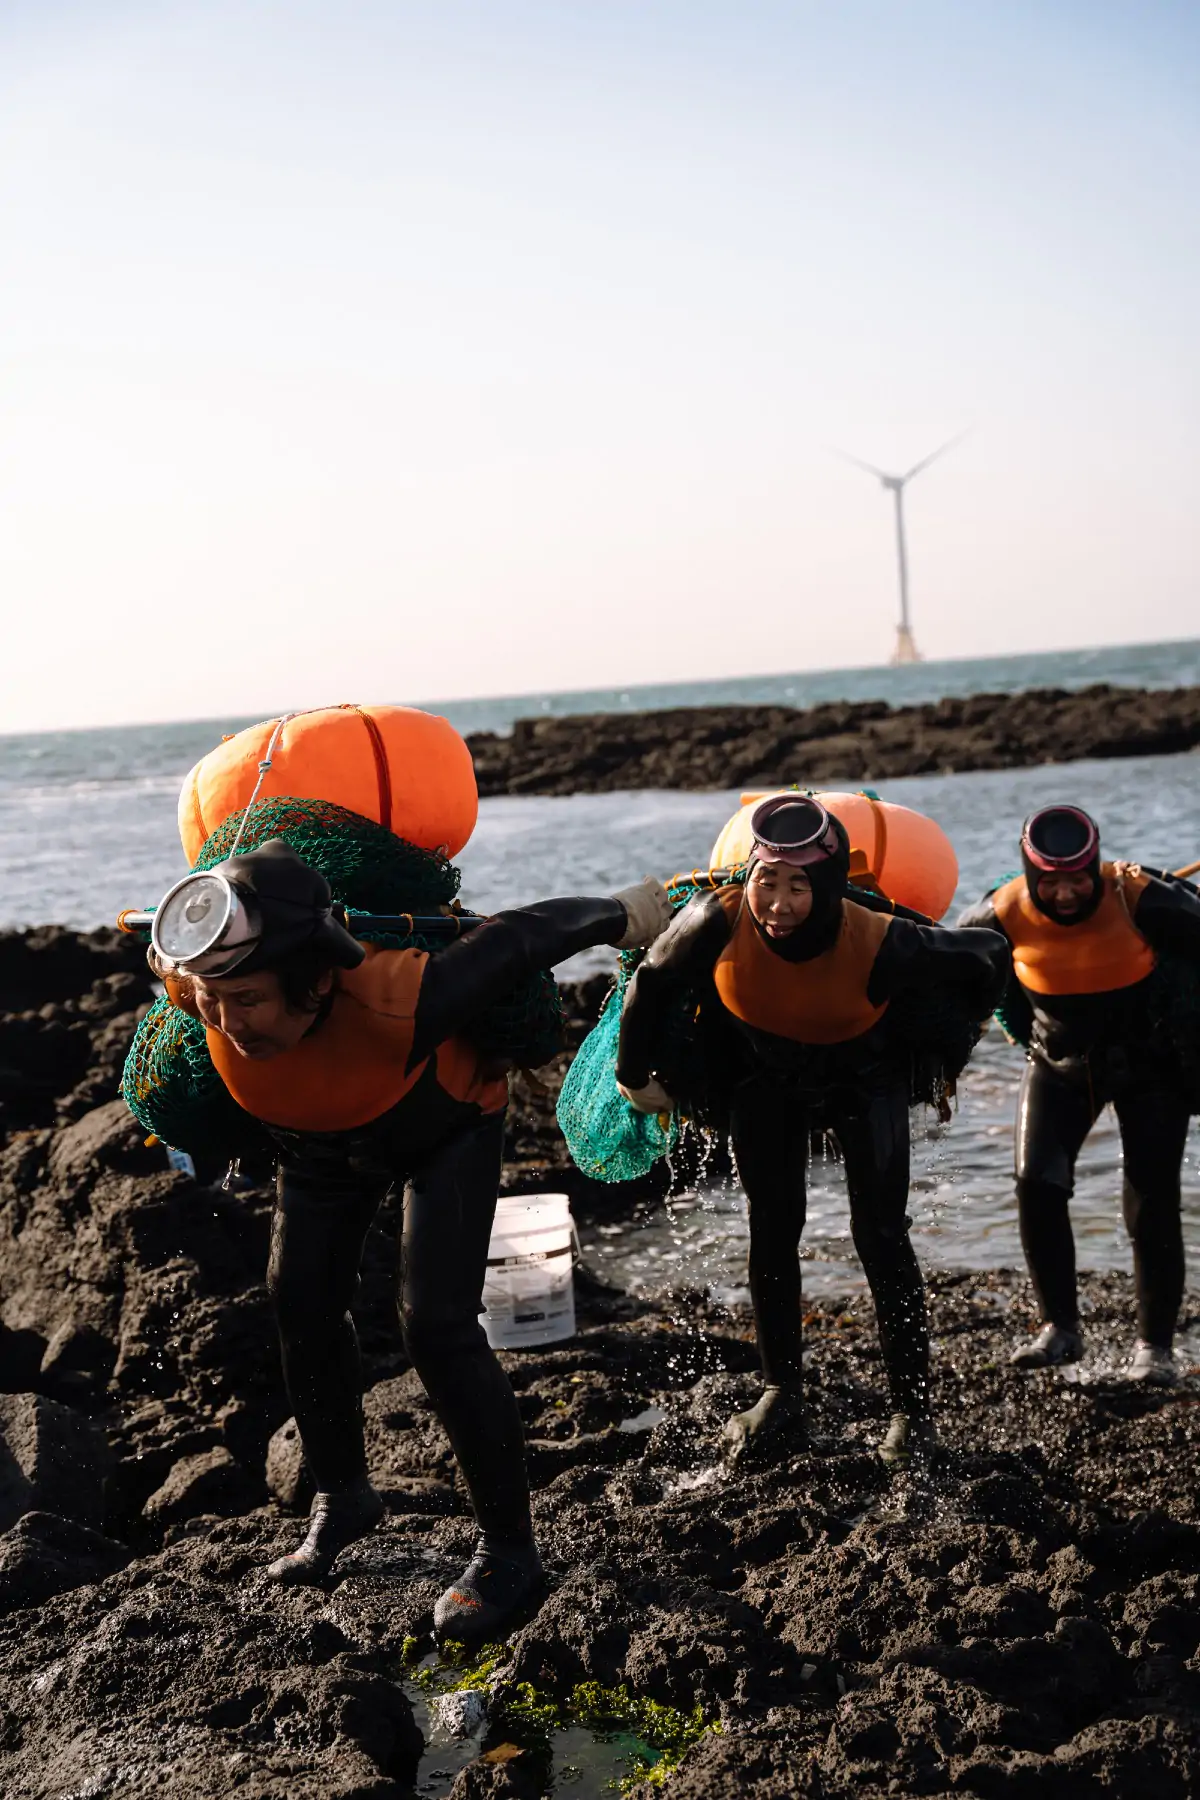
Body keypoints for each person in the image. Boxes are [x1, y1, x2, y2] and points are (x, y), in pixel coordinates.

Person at [149, 837, 671, 1642]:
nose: (228, 1018)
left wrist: (623, 913)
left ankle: (509, 1551)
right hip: (318, 1143)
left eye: (247, 999)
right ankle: (342, 1498)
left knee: (435, 1324)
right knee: (300, 1301)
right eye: (213, 999)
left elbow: (520, 937)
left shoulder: (405, 995)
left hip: (443, 1126)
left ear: (316, 978)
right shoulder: (205, 993)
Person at [613, 795, 1007, 1467]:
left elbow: (987, 954)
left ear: (826, 886)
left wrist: (951, 1047)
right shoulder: (718, 917)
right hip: (762, 1076)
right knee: (771, 1228)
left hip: (864, 1076)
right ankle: (780, 1393)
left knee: (880, 1237)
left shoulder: (886, 940)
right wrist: (632, 1075)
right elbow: (652, 979)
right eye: (769, 882)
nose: (779, 903)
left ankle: (913, 1416)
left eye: (799, 886)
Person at [959, 804, 1200, 1384]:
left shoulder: (1139, 896)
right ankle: (1060, 1329)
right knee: (1035, 1184)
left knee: (1152, 1197)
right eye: (1051, 883)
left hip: (1151, 1066)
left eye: (1077, 880)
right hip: (1059, 1062)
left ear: (1095, 868)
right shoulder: (1002, 911)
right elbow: (943, 972)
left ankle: (1155, 1349)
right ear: (1028, 873)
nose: (1066, 894)